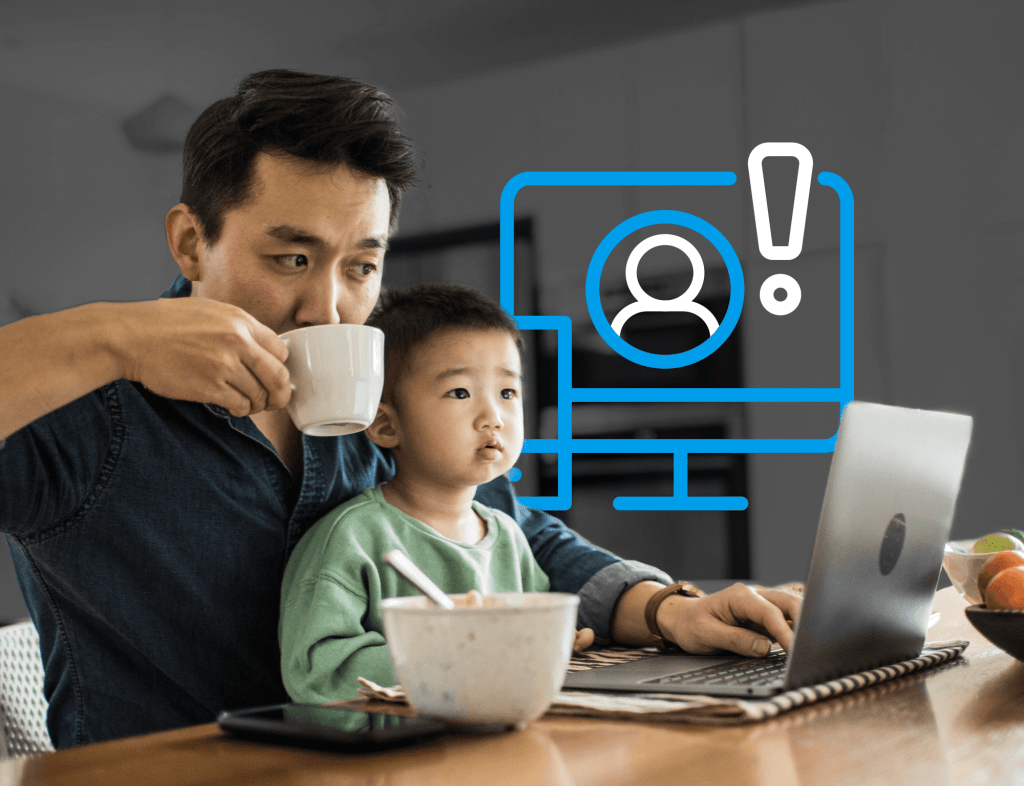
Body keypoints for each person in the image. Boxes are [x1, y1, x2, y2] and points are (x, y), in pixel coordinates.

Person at [0, 69, 801, 749]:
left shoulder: (387, 385)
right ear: (189, 243)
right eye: (291, 257)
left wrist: (663, 609)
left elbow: (505, 537)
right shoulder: (91, 411)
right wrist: (110, 337)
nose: (331, 307)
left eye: (361, 264)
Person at [280, 282, 596, 703]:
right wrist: (462, 656)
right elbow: (318, 673)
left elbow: (519, 639)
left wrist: (548, 643)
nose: (493, 417)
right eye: (460, 392)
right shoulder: (352, 538)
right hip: (391, 756)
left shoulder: (509, 537)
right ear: (387, 426)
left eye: (507, 392)